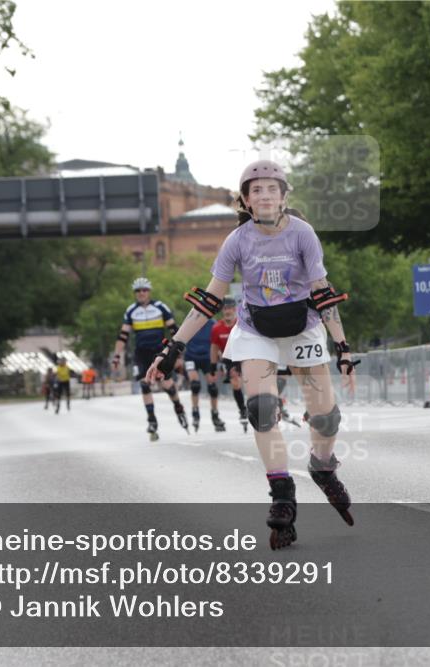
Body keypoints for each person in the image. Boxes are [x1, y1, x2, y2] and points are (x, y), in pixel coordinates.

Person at [146, 160, 360, 550]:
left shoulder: (303, 234)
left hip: (302, 325)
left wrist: (343, 348)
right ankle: (282, 494)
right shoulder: (237, 240)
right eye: (256, 190)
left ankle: (323, 467)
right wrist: (172, 346)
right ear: (245, 200)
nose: (264, 196)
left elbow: (322, 292)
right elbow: (210, 299)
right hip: (256, 327)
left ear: (284, 196)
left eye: (272, 189)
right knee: (261, 409)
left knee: (326, 417)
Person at [113, 278, 189, 440]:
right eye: (138, 291)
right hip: (141, 354)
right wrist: (116, 356)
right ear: (135, 293)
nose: (141, 293)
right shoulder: (131, 310)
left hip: (159, 352)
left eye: (144, 290)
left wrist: (177, 355)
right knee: (144, 384)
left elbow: (174, 330)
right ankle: (152, 420)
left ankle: (178, 408)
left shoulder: (160, 307)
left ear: (149, 292)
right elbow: (123, 336)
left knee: (167, 385)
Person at [183, 305, 226, 433]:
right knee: (195, 385)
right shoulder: (189, 323)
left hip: (207, 357)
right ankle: (195, 412)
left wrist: (221, 361)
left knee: (212, 387)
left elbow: (216, 344)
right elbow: (180, 340)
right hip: (191, 356)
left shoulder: (213, 324)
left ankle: (215, 414)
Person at [211, 297, 249, 431]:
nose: (227, 311)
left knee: (249, 383)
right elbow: (214, 348)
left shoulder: (242, 324)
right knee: (236, 382)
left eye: (230, 309)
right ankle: (242, 409)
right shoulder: (216, 328)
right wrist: (213, 365)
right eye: (225, 309)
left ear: (235, 309)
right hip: (229, 359)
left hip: (245, 355)